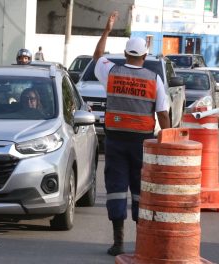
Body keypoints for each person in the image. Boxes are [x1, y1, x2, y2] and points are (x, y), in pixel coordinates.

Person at [93, 11, 170, 256]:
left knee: (116, 188)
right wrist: (166, 140)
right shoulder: (154, 79)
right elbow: (163, 114)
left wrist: (107, 30)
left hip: (114, 142)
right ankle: (140, 243)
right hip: (142, 143)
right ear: (145, 56)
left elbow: (97, 57)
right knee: (140, 191)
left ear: (126, 54)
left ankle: (118, 242)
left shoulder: (112, 73)